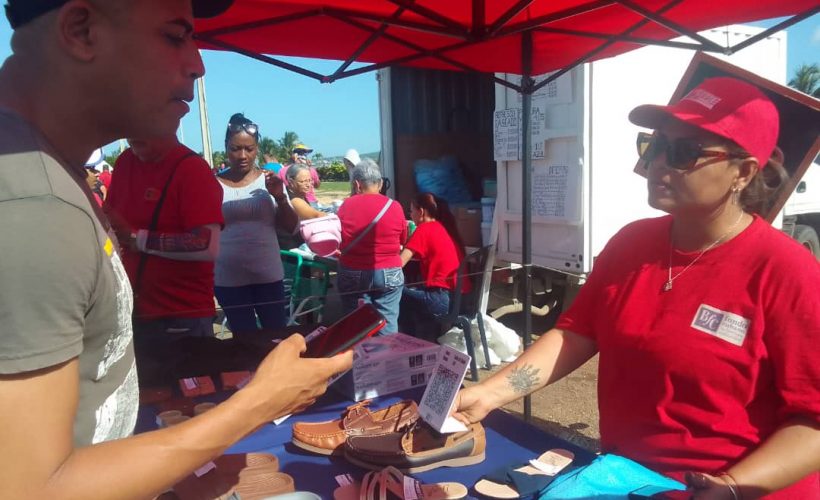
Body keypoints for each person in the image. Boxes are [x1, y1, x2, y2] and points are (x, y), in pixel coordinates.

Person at [0, 2, 351, 498]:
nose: (198, 64)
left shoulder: (48, 175)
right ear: (81, 30)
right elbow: (32, 489)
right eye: (173, 35)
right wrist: (260, 401)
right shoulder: (30, 202)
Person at [453, 77, 820, 499]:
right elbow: (576, 334)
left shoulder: (787, 271)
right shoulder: (632, 244)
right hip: (627, 480)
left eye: (684, 153)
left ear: (743, 172)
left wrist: (733, 488)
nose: (657, 164)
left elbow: (813, 423)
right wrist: (487, 394)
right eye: (654, 144)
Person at [104, 136, 224, 384]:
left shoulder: (191, 169)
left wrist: (138, 238)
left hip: (180, 317)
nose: (132, 133)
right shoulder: (126, 161)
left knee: (187, 398)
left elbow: (206, 245)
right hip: (133, 312)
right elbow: (111, 217)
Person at [215, 113, 299, 334]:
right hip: (228, 279)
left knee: (275, 338)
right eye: (235, 148)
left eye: (249, 149)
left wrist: (280, 196)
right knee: (244, 342)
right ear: (226, 147)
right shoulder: (212, 184)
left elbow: (291, 227)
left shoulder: (269, 181)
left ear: (257, 148)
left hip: (268, 276)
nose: (243, 155)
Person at [337, 158, 407, 333]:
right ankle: (386, 357)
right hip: (390, 271)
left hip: (353, 271)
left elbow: (339, 239)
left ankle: (358, 358)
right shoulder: (395, 206)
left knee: (356, 325)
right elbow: (402, 239)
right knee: (388, 323)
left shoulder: (346, 205)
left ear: (357, 185)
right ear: (381, 183)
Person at [398, 193, 471, 341]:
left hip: (440, 300)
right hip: (459, 298)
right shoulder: (445, 228)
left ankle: (409, 343)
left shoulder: (424, 229)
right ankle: (426, 338)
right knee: (412, 294)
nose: (410, 215)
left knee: (396, 294)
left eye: (411, 211)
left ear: (422, 212)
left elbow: (399, 263)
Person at [279, 143, 321, 207]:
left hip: (290, 202)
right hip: (310, 202)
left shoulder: (282, 171)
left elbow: (279, 188)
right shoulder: (310, 170)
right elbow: (317, 185)